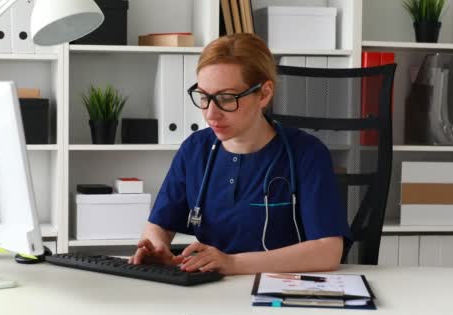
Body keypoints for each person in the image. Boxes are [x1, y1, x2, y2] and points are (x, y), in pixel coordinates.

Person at [128, 33, 351, 275]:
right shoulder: (195, 149)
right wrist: (157, 248)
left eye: (226, 99)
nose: (211, 114)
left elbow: (328, 251)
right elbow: (158, 225)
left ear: (264, 94)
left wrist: (233, 264)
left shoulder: (306, 153)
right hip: (208, 292)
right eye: (204, 97)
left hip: (280, 293)